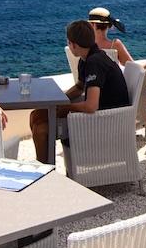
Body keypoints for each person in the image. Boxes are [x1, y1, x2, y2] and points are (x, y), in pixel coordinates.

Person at [30, 20, 130, 163]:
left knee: (41, 128)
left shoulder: (94, 63)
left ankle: (45, 170)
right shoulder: (86, 59)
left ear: (74, 44)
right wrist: (59, 101)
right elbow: (79, 87)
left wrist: (65, 108)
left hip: (106, 123)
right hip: (101, 115)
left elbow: (91, 106)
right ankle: (45, 167)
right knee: (36, 114)